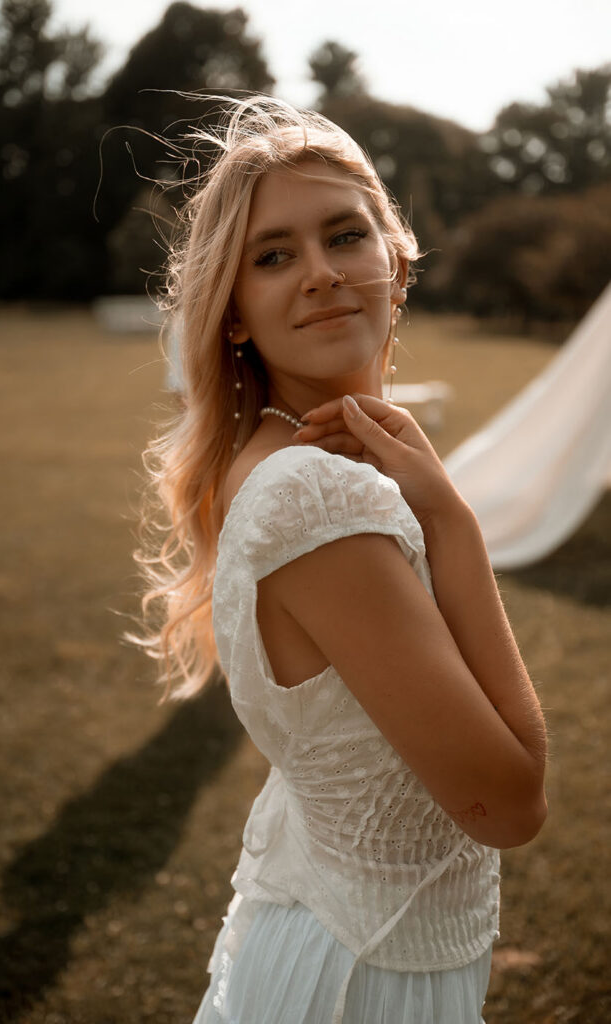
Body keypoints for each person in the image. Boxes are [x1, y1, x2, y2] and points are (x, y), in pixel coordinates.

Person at [134, 95, 548, 1024]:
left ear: (393, 265)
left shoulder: (297, 461)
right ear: (233, 313)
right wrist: (455, 523)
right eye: (274, 256)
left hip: (343, 927)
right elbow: (510, 804)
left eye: (343, 236)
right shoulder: (314, 494)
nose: (319, 274)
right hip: (364, 981)